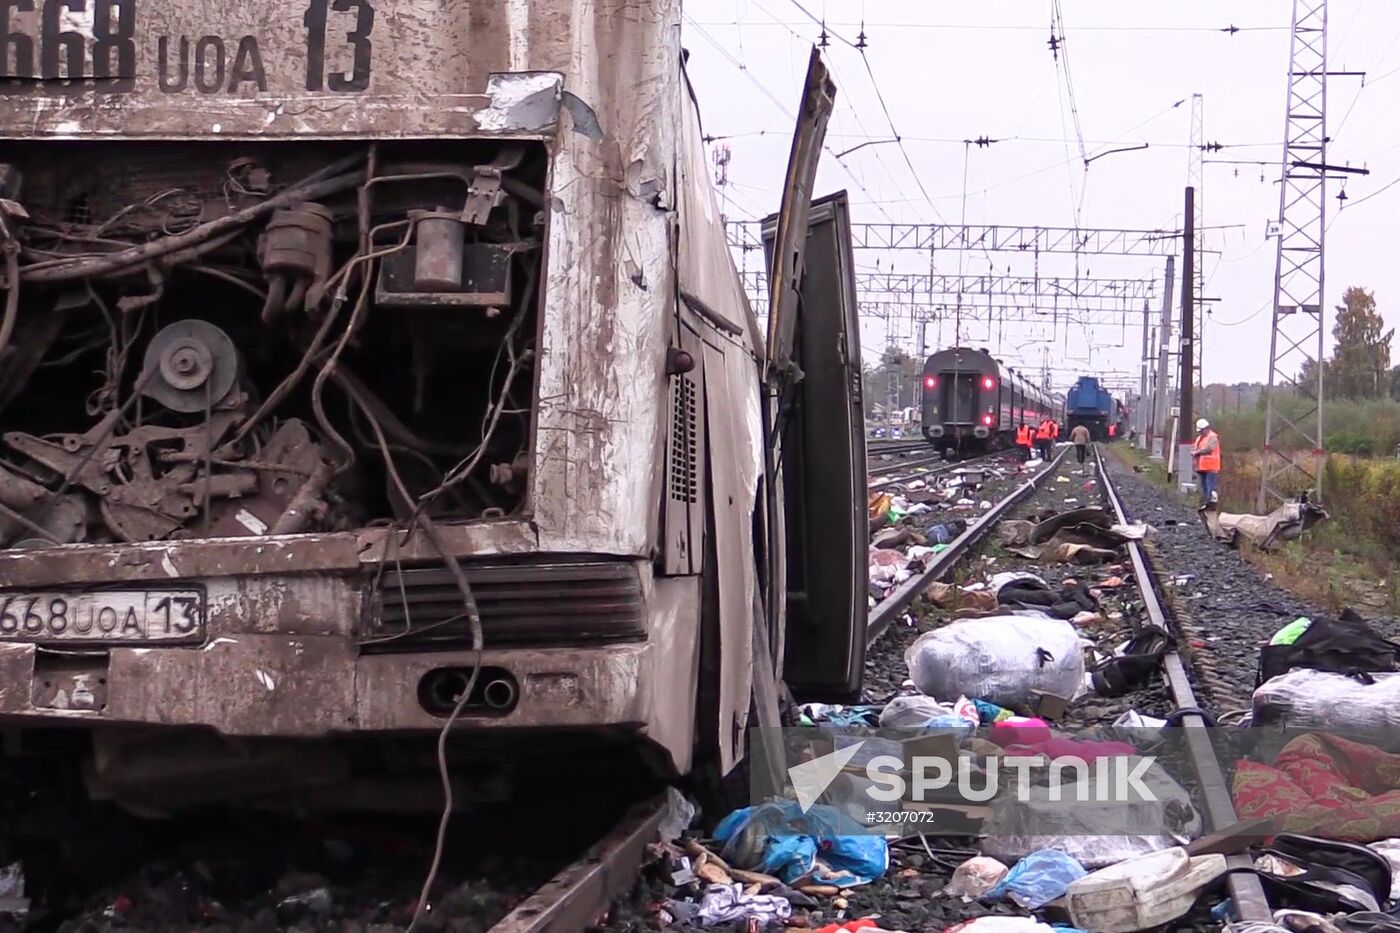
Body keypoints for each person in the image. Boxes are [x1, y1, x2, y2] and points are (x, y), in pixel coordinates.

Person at [1191, 418, 1221, 506]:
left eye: (1201, 430)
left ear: (1206, 428)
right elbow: (1196, 447)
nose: (1200, 432)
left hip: (1211, 467)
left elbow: (1209, 449)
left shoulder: (1213, 437)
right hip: (1201, 467)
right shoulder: (1200, 438)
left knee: (1209, 487)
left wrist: (1197, 452)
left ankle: (1209, 504)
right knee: (1204, 487)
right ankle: (1205, 503)